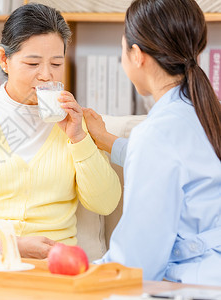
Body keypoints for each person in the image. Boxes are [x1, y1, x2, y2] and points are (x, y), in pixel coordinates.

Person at [0, 3, 121, 259]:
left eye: (56, 64)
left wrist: (79, 138)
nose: (46, 75)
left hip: (51, 265)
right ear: (4, 59)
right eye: (33, 63)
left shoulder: (75, 122)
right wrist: (10, 242)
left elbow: (105, 202)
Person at [91, 0, 221, 285]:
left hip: (198, 284)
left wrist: (83, 271)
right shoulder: (205, 112)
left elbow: (137, 264)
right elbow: (179, 165)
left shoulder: (157, 135)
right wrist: (107, 140)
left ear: (137, 55)